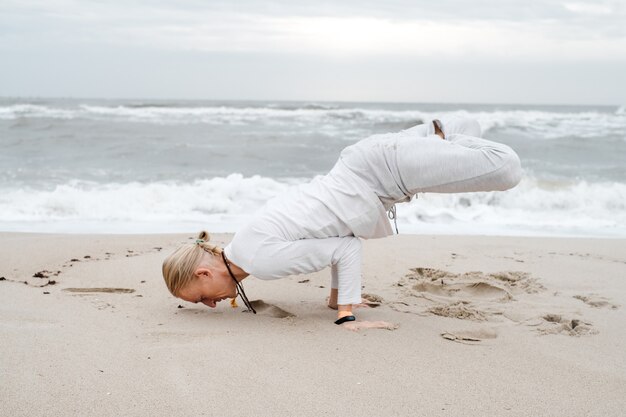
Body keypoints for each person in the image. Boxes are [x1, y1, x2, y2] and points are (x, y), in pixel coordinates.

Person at [162, 116, 522, 330]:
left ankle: (441, 140)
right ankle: (438, 136)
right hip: (368, 164)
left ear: (204, 275)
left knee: (506, 168)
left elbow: (344, 247)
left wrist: (347, 316)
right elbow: (330, 236)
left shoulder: (260, 261)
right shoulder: (246, 244)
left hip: (385, 172)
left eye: (200, 300)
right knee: (468, 128)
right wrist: (337, 300)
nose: (210, 305)